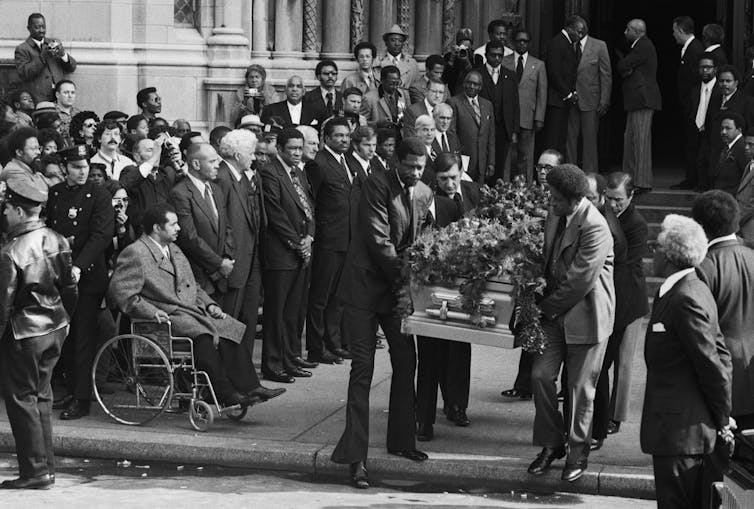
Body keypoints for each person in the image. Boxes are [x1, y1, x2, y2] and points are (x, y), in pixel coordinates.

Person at [109, 203, 285, 408]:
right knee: (203, 337)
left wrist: (210, 305)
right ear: (157, 228)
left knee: (230, 328)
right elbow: (122, 293)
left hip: (190, 311)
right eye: (173, 224)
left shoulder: (173, 249)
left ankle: (250, 386)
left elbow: (193, 286)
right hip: (166, 315)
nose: (178, 228)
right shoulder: (136, 253)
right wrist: (151, 311)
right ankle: (224, 394)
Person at [331, 138, 433, 489]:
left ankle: (402, 441)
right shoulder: (376, 183)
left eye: (421, 168)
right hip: (363, 288)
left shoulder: (422, 192)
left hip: (394, 288)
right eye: (410, 167)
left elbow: (421, 241)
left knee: (406, 360)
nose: (416, 174)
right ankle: (355, 457)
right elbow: (378, 241)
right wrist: (407, 276)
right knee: (363, 369)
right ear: (396, 161)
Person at [527, 164, 613, 483]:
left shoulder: (596, 226)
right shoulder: (556, 211)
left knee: (579, 390)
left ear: (574, 199)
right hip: (555, 313)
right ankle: (552, 445)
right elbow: (545, 257)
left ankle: (578, 454)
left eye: (556, 198)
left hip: (586, 317)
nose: (550, 202)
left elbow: (579, 282)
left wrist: (542, 309)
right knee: (540, 376)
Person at [642, 214, 731, 509]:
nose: (651, 251)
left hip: (682, 435)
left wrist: (722, 420)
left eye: (656, 247)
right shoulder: (686, 289)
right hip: (679, 432)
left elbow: (712, 363)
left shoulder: (686, 297)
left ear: (670, 255)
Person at [0, 177, 77, 490]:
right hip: (54, 326)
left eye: (6, 207)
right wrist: (65, 320)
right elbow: (69, 288)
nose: (3, 212)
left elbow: (3, 306)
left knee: (22, 400)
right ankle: (45, 468)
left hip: (24, 333)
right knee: (41, 398)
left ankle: (35, 472)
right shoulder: (57, 238)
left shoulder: (11, 251)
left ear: (19, 210)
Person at [47, 145, 114, 420]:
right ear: (66, 169)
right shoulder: (57, 193)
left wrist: (78, 264)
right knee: (69, 336)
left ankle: (82, 397)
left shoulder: (99, 194)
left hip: (86, 275)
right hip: (61, 275)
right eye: (76, 166)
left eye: (85, 165)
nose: (83, 170)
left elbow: (102, 235)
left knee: (84, 337)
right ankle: (72, 387)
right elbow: (53, 229)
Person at [415, 152, 474, 443]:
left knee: (459, 350)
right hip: (427, 293)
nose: (449, 183)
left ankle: (456, 404)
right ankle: (423, 419)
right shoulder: (421, 206)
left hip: (456, 288)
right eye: (442, 179)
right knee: (429, 357)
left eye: (454, 177)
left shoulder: (451, 207)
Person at [259, 128, 315, 383]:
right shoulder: (270, 171)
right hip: (281, 252)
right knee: (277, 311)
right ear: (279, 148)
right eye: (291, 148)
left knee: (294, 309)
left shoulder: (299, 171)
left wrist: (309, 237)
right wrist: (296, 242)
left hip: (301, 249)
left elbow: (308, 207)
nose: (296, 152)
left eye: (299, 148)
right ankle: (273, 364)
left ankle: (291, 357)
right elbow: (276, 213)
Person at [599, 172, 648, 437]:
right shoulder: (606, 213)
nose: (614, 204)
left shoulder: (637, 223)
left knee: (624, 361)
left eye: (619, 199)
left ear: (631, 196)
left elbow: (628, 265)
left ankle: (616, 416)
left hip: (630, 297)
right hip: (611, 293)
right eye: (610, 198)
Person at [215, 129, 266, 368]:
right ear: (237, 153)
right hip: (234, 261)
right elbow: (221, 222)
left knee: (247, 317)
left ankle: (244, 375)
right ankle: (230, 373)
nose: (254, 158)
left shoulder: (243, 177)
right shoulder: (222, 177)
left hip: (251, 258)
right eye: (251, 152)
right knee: (231, 321)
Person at [305, 118, 355, 365]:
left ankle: (333, 344)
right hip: (327, 241)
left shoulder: (347, 162)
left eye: (346, 135)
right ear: (326, 138)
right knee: (320, 297)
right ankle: (316, 347)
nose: (344, 139)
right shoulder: (319, 164)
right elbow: (312, 202)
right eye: (338, 136)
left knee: (337, 297)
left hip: (346, 240)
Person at [168, 143, 234, 302]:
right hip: (199, 277)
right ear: (196, 164)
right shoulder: (180, 193)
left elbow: (227, 228)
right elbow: (189, 237)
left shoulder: (216, 189)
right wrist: (218, 263)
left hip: (222, 275)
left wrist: (226, 259)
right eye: (212, 161)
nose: (218, 165)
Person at [617, 19, 662, 192]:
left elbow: (623, 64)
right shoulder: (639, 46)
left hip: (643, 99)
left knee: (640, 141)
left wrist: (625, 65)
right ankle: (630, 179)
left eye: (627, 29)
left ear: (636, 31)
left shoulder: (643, 45)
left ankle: (642, 182)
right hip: (636, 100)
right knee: (631, 140)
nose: (625, 32)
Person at [566, 21, 611, 174]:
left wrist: (605, 100)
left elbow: (606, 75)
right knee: (570, 139)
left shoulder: (599, 45)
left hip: (591, 99)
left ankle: (590, 176)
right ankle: (571, 175)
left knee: (590, 141)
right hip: (571, 99)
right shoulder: (568, 43)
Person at [502, 28, 547, 181]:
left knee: (525, 154)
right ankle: (505, 184)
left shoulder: (538, 64)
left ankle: (524, 186)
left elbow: (542, 93)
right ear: (513, 42)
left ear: (529, 43)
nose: (522, 44)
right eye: (519, 40)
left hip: (528, 115)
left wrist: (539, 117)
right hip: (507, 116)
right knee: (508, 153)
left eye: (525, 41)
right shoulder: (504, 61)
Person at [476, 39, 519, 182]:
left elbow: (515, 104)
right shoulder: (477, 74)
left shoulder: (510, 75)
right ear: (486, 55)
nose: (496, 59)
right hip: (483, 127)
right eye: (493, 55)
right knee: (482, 164)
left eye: (500, 55)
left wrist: (514, 130)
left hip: (503, 128)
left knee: (499, 166)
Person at [674, 56, 719, 191]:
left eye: (708, 67)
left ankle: (705, 184)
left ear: (715, 69)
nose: (705, 70)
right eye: (702, 67)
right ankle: (692, 180)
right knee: (693, 153)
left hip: (713, 130)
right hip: (695, 128)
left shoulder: (719, 88)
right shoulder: (694, 89)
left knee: (707, 157)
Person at [14, 13, 77, 103]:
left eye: (43, 27)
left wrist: (63, 54)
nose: (41, 30)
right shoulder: (22, 49)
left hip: (59, 98)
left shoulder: (53, 43)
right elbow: (24, 74)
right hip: (38, 99)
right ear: (29, 28)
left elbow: (72, 67)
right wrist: (42, 58)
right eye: (37, 27)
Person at [543, 16, 582, 157]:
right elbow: (554, 73)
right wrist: (569, 94)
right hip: (556, 100)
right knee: (552, 142)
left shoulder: (566, 42)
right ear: (569, 28)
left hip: (562, 101)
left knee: (560, 141)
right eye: (578, 31)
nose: (580, 35)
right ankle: (548, 175)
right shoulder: (557, 43)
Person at [447, 70, 495, 184]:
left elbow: (491, 136)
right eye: (469, 83)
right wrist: (456, 160)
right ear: (464, 84)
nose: (472, 86)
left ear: (480, 87)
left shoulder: (487, 105)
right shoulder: (454, 102)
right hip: (463, 159)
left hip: (482, 161)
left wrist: (491, 162)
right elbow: (452, 133)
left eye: (476, 84)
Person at [374, 25, 419, 90]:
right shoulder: (377, 62)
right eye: (393, 40)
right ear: (386, 43)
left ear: (403, 43)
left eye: (400, 41)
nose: (397, 44)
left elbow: (416, 87)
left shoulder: (412, 63)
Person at [713, 111, 747, 195]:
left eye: (728, 128)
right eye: (722, 128)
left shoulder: (744, 149)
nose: (723, 132)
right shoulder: (727, 147)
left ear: (739, 130)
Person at [737, 131, 754, 241]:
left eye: (751, 144)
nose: (746, 148)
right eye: (746, 144)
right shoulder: (749, 165)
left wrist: (736, 222)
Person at [53, 80, 78, 146]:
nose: (70, 96)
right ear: (57, 95)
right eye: (66, 92)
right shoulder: (51, 112)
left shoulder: (79, 113)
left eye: (72, 93)